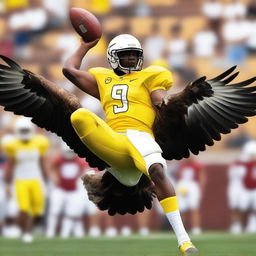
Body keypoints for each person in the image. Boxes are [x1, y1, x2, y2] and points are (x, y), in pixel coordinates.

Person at [62, 34, 198, 255]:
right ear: (113, 58)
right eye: (125, 56)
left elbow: (158, 97)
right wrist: (84, 46)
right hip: (114, 140)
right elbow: (69, 70)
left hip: (141, 137)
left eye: (134, 55)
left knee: (156, 170)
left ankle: (184, 241)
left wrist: (165, 102)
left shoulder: (151, 75)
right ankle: (103, 171)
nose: (130, 60)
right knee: (79, 116)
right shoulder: (102, 79)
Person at [2, 117, 49, 243]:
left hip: (36, 179)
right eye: (21, 130)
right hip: (20, 180)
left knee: (37, 210)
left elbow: (42, 163)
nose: (24, 132)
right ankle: (25, 232)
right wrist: (6, 183)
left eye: (25, 130)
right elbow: (10, 166)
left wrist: (47, 179)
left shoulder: (39, 142)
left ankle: (26, 229)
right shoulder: (13, 145)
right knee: (23, 208)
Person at [176, 158, 206, 235]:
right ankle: (181, 230)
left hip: (193, 186)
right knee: (181, 209)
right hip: (182, 185)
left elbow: (202, 177)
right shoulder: (181, 165)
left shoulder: (197, 165)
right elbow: (178, 177)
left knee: (194, 208)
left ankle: (196, 228)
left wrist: (201, 189)